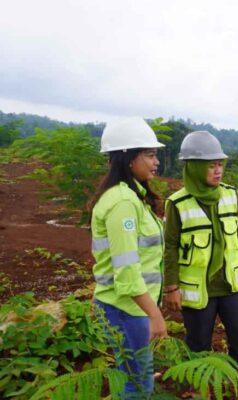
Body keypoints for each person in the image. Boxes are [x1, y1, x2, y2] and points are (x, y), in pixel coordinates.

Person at [163, 131, 238, 400]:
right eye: (211, 165)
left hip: (232, 284)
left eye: (220, 163)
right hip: (198, 289)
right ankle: (201, 387)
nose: (218, 170)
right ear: (195, 167)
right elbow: (170, 247)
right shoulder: (177, 204)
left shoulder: (232, 196)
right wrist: (171, 286)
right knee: (198, 341)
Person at [90, 117, 167, 398]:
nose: (156, 162)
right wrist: (154, 314)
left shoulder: (133, 197)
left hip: (130, 307)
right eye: (149, 155)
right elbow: (127, 271)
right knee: (137, 384)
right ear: (128, 158)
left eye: (155, 154)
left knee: (135, 376)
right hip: (127, 309)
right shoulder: (123, 202)